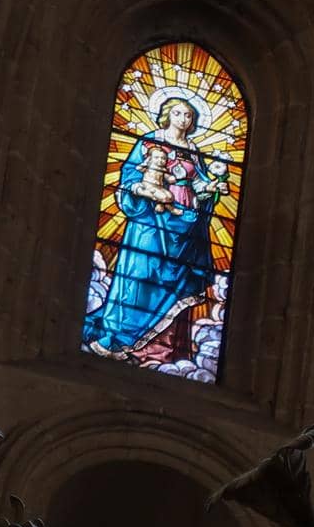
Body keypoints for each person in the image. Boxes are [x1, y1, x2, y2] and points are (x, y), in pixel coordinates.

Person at [84, 97, 229, 364]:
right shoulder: (151, 141)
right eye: (178, 113)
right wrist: (143, 190)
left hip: (185, 225)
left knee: (176, 280)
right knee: (139, 274)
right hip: (150, 220)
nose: (183, 119)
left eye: (188, 115)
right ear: (166, 115)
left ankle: (158, 351)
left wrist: (211, 188)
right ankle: (120, 335)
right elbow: (129, 176)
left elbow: (199, 182)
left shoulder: (195, 150)